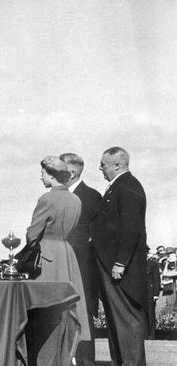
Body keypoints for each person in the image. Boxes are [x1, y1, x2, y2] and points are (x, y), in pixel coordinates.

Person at [25, 156, 91, 363]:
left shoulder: (47, 199)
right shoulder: (75, 199)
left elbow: (33, 233)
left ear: (52, 175)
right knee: (67, 308)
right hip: (66, 253)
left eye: (43, 172)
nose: (40, 176)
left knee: (45, 309)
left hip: (47, 255)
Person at [92, 147, 147, 365]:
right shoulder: (120, 187)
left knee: (126, 319)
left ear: (116, 165)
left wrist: (120, 262)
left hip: (118, 268)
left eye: (103, 164)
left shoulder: (127, 187)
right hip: (110, 265)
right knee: (117, 320)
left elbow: (130, 229)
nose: (100, 168)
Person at [59, 153, 101, 366]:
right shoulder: (60, 196)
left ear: (72, 172)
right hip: (62, 264)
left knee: (82, 313)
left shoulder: (91, 196)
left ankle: (85, 361)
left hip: (82, 266)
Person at [146, 248, 161, 339]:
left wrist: (156, 294)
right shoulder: (138, 263)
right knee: (142, 314)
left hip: (150, 293)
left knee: (150, 314)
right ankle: (144, 334)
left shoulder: (153, 263)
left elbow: (156, 279)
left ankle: (151, 335)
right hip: (141, 293)